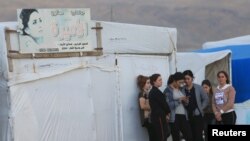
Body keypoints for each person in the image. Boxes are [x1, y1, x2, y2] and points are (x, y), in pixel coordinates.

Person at [164, 72, 192, 141]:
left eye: (182, 83)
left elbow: (185, 104)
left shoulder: (181, 89)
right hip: (174, 117)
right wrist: (179, 100)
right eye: (180, 82)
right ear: (174, 80)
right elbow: (168, 105)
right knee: (176, 137)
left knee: (189, 136)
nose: (181, 84)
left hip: (183, 116)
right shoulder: (168, 90)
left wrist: (186, 101)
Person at [183, 70, 208, 141]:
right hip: (187, 116)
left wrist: (200, 108)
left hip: (197, 115)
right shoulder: (182, 89)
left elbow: (206, 99)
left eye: (188, 79)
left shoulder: (198, 88)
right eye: (185, 79)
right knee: (189, 136)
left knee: (198, 136)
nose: (186, 81)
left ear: (192, 78)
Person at [149, 73, 171, 141]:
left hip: (159, 116)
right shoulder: (155, 92)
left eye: (161, 80)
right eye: (159, 80)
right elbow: (164, 104)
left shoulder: (155, 91)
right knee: (162, 136)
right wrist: (168, 112)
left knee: (162, 135)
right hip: (159, 117)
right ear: (154, 82)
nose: (161, 81)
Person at [137, 75, 155, 141]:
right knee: (153, 137)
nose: (149, 84)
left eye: (149, 82)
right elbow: (142, 106)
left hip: (150, 118)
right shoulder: (142, 94)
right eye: (147, 83)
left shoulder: (147, 93)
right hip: (147, 119)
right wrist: (153, 107)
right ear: (143, 84)